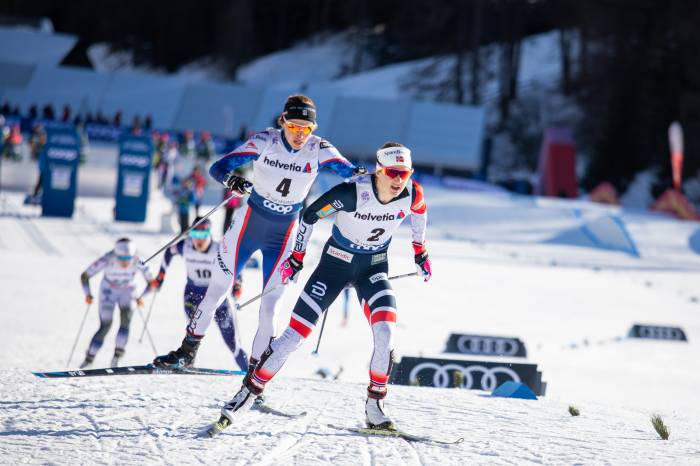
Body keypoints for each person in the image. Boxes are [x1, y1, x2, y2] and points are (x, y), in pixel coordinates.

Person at [211, 142, 432, 432]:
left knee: (386, 331)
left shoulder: (412, 192)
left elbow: (420, 212)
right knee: (294, 335)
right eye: (392, 172)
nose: (397, 180)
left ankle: (375, 406)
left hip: (373, 268)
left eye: (404, 173)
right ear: (379, 170)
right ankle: (248, 393)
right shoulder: (352, 192)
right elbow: (308, 216)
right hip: (334, 267)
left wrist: (420, 251)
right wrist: (297, 257)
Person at [153, 94, 364, 373]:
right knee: (216, 289)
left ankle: (256, 374)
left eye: (306, 129)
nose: (300, 134)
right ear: (283, 122)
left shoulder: (319, 148)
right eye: (294, 127)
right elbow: (218, 167)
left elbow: (350, 172)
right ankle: (186, 352)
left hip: (284, 234)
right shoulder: (266, 141)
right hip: (249, 225)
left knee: (270, 308)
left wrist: (366, 177)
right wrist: (232, 180)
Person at [152, 218, 249, 370]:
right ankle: (188, 361)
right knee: (192, 332)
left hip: (218, 297)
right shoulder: (185, 246)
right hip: (193, 294)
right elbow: (168, 252)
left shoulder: (220, 248)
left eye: (203, 235)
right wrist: (160, 276)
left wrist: (238, 283)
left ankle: (249, 373)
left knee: (232, 342)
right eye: (195, 234)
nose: (199, 239)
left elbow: (237, 261)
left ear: (209, 234)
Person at [79, 238, 154, 368]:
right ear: (116, 254)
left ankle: (116, 358)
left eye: (128, 258)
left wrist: (143, 296)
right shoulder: (108, 258)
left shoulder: (138, 260)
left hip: (128, 290)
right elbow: (85, 276)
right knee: (106, 325)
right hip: (108, 290)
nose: (125, 262)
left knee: (126, 321)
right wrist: (88, 294)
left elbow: (153, 282)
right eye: (122, 259)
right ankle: (89, 359)